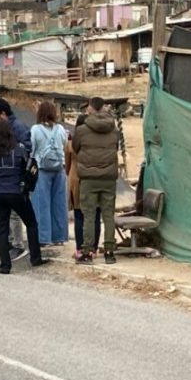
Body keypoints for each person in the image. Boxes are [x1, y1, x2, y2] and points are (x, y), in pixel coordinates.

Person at [0, 119, 50, 275]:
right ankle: (35, 258)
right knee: (31, 223)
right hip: (16, 191)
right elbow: (26, 168)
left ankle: (5, 265)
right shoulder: (18, 150)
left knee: (2, 229)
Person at [73, 97, 119, 265]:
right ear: (104, 108)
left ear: (90, 108)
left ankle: (87, 252)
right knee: (108, 215)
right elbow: (115, 148)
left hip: (88, 178)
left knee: (89, 216)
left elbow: (75, 148)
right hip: (109, 177)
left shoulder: (81, 130)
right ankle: (109, 252)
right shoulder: (114, 130)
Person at [0, 98, 31, 261]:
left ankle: (18, 245)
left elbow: (27, 148)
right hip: (1, 177)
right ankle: (11, 242)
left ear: (3, 114)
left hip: (14, 177)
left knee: (14, 214)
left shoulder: (17, 127)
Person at [29, 101, 69, 246]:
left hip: (42, 169)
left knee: (41, 205)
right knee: (59, 204)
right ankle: (59, 236)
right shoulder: (61, 129)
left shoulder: (35, 129)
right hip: (59, 169)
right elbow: (64, 146)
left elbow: (31, 150)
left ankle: (43, 238)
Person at [67, 114, 100, 259]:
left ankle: (80, 249)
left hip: (76, 180)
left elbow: (67, 165)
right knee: (95, 215)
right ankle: (93, 248)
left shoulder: (71, 144)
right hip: (95, 180)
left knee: (79, 215)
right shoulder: (98, 143)